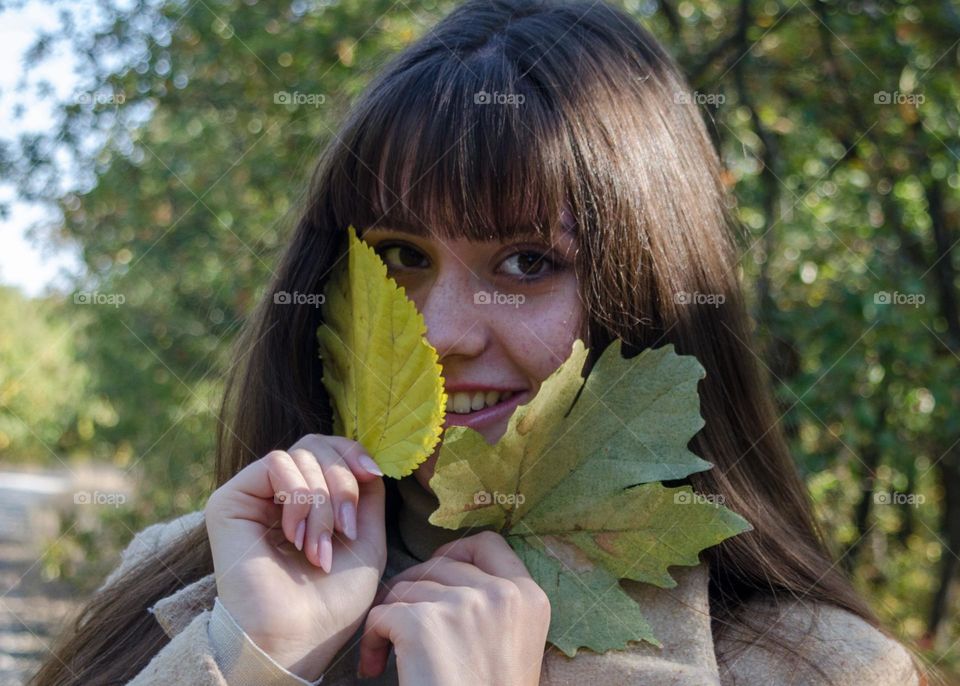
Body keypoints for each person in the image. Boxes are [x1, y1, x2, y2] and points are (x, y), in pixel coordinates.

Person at [32, 0, 926, 684]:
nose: (441, 332)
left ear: (654, 291)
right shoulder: (180, 577)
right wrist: (253, 654)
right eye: (400, 256)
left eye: (528, 260)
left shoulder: (828, 668)